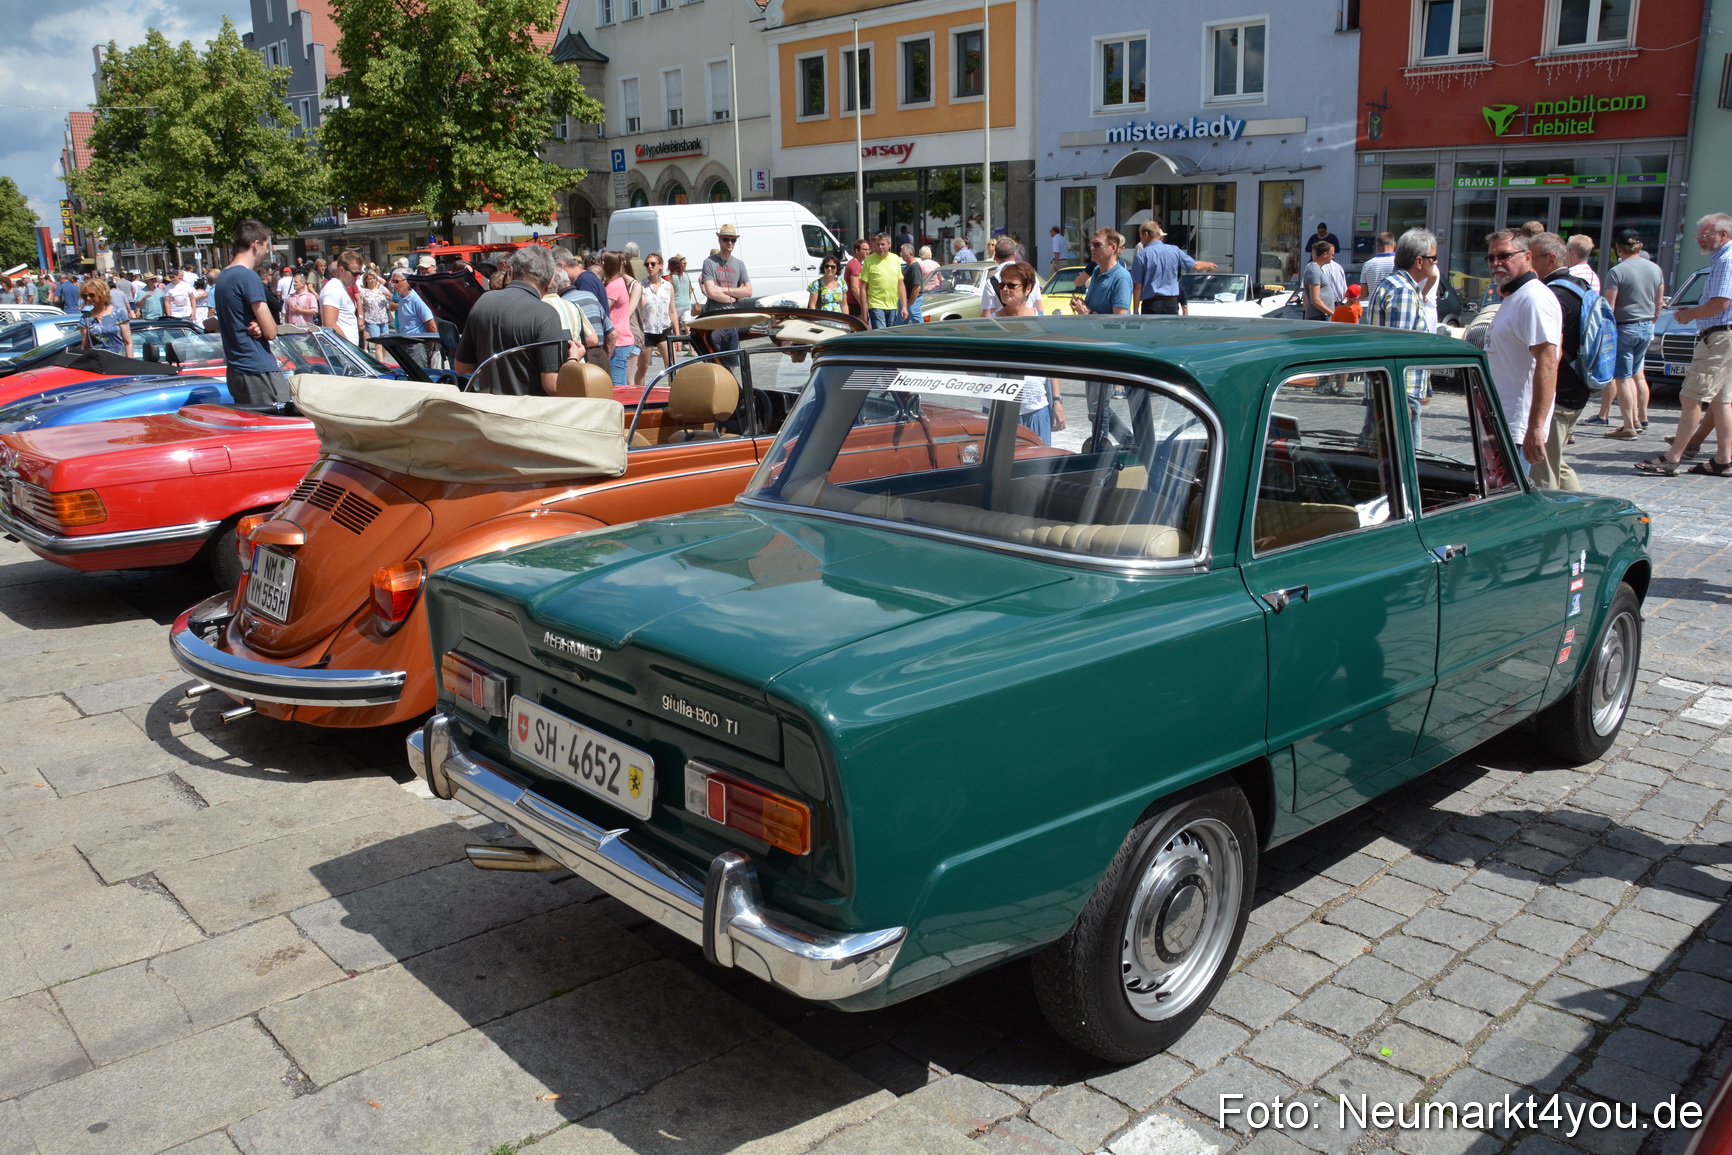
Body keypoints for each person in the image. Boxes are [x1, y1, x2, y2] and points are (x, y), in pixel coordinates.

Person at [1636, 213, 1732, 477]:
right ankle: (1723, 459)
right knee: (1722, 401)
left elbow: (1721, 303)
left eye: (1705, 234)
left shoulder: (1726, 259)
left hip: (1720, 337)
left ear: (1722, 235)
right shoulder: (1723, 259)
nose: (1699, 239)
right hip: (1723, 336)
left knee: (1690, 397)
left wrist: (1690, 314)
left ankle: (1672, 458)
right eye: (1698, 235)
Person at [1484, 230, 1562, 470]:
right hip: (1499, 421)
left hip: (1516, 427)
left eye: (1504, 255)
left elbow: (1548, 363)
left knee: (1505, 501)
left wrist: (1535, 427)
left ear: (1527, 256)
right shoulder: (1514, 296)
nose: (1497, 263)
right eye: (1491, 258)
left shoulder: (1534, 299)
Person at [453, 245, 565, 396]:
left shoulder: (483, 301)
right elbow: (552, 386)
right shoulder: (546, 314)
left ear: (510, 272)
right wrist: (573, 359)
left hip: (488, 411)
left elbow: (461, 367)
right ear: (550, 282)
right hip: (527, 414)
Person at [1527, 233, 1589, 492]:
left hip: (1559, 392)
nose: (1529, 263)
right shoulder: (1580, 286)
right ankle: (1580, 510)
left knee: (1544, 469)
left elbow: (1550, 356)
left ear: (1551, 259)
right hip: (1578, 386)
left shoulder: (1552, 296)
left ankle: (1553, 519)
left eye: (1533, 257)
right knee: (1555, 462)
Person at [213, 219, 291, 406]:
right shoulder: (247, 276)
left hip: (236, 369)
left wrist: (257, 322)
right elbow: (271, 331)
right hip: (257, 368)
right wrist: (263, 324)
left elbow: (237, 317)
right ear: (255, 244)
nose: (266, 251)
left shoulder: (223, 276)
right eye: (265, 246)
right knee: (283, 424)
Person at [1595, 230, 1663, 440]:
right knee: (1635, 375)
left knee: (1623, 377)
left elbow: (1609, 307)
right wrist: (1651, 322)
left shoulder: (1617, 271)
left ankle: (1628, 426)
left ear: (1618, 249)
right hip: (1646, 326)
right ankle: (1636, 419)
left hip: (1625, 327)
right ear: (1639, 246)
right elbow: (1659, 304)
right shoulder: (1655, 269)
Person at [994, 260, 1064, 440]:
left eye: (1012, 285)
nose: (1005, 289)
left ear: (1027, 289)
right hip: (999, 412)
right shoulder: (991, 323)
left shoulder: (1041, 321)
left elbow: (1052, 365)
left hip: (1035, 409)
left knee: (1037, 465)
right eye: (1002, 284)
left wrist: (1057, 401)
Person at [1129, 221, 1217, 315]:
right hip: (1171, 303)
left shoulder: (1141, 255)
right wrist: (1209, 265)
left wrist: (1135, 310)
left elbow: (1138, 286)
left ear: (1146, 234)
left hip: (1151, 304)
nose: (1140, 240)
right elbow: (1196, 266)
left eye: (1140, 236)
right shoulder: (1174, 250)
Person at [1364, 229, 1436, 333]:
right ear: (1419, 261)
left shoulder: (1393, 283)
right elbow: (1399, 343)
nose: (1436, 262)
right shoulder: (1403, 291)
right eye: (1433, 258)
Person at [699, 224, 752, 358]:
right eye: (726, 239)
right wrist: (735, 297)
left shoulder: (739, 264)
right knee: (714, 361)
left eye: (732, 240)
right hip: (714, 320)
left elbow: (748, 291)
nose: (729, 242)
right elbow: (711, 292)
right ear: (719, 240)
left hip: (732, 320)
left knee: (732, 361)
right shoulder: (709, 262)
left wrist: (721, 289)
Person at [635, 252, 678, 390]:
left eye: (653, 264)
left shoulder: (668, 286)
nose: (650, 267)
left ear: (660, 266)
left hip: (664, 329)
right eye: (647, 264)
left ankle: (674, 392)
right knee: (643, 367)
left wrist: (677, 335)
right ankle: (638, 394)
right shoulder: (641, 286)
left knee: (671, 364)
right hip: (647, 330)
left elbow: (672, 311)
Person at [602, 251, 642, 387]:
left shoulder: (614, 285)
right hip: (623, 339)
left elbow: (603, 308)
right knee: (622, 382)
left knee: (616, 384)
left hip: (619, 340)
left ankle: (621, 408)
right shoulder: (619, 282)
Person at [387, 268, 439, 371]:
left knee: (418, 378)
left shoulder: (417, 299)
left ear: (408, 282)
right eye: (393, 282)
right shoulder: (402, 297)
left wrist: (428, 347)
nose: (394, 285)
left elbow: (432, 326)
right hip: (405, 344)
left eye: (397, 281)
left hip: (417, 346)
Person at [1074, 229, 1131, 316]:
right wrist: (1080, 305)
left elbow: (1119, 322)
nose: (1092, 248)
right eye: (1091, 244)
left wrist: (1087, 312)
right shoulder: (1096, 271)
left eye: (1097, 245)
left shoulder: (1121, 278)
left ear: (1113, 247)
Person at [860, 234, 906, 328]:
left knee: (890, 337)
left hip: (893, 306)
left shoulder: (895, 259)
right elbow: (863, 287)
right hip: (876, 305)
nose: (880, 247)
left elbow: (900, 284)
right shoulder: (869, 260)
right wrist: (864, 311)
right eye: (878, 244)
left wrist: (904, 306)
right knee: (881, 334)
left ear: (890, 244)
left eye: (883, 244)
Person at [76, 280, 132, 357]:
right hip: (97, 362)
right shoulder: (86, 318)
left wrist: (130, 364)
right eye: (85, 295)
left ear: (102, 293)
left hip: (119, 361)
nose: (88, 298)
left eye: (91, 295)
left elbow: (128, 343)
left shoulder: (118, 313)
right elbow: (85, 346)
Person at [319, 250, 362, 344]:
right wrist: (350, 349)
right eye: (355, 273)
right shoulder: (333, 289)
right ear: (341, 270)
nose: (358, 277)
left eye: (360, 273)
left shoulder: (340, 288)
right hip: (340, 352)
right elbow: (330, 324)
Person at [1301, 240, 1347, 320]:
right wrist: (1333, 313)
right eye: (1332, 255)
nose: (1333, 257)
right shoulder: (1313, 271)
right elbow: (1315, 300)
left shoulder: (1317, 269)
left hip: (1323, 315)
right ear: (1325, 254)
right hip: (1318, 316)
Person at [357, 271, 393, 350]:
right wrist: (361, 320)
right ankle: (379, 361)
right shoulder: (363, 292)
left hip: (383, 319)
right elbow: (361, 307)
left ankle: (382, 360)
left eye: (374, 278)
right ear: (366, 280)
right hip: (371, 320)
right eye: (370, 279)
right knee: (378, 344)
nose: (372, 280)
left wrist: (389, 295)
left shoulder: (382, 289)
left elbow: (391, 301)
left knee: (386, 344)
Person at [900, 243, 931, 324]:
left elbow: (917, 287)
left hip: (914, 300)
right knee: (900, 323)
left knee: (917, 322)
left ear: (910, 254)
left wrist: (910, 302)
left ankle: (921, 335)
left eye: (903, 253)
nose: (901, 254)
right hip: (906, 300)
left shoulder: (914, 267)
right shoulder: (908, 266)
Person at [1359, 232, 1397, 297]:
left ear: (1378, 246)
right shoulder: (1400, 262)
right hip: (1394, 305)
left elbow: (1363, 294)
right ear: (1395, 245)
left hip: (1374, 306)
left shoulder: (1367, 265)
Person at [844, 238, 870, 323]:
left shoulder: (855, 263)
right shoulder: (855, 265)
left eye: (868, 249)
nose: (867, 252)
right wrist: (863, 304)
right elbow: (855, 288)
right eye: (864, 249)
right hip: (854, 303)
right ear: (857, 250)